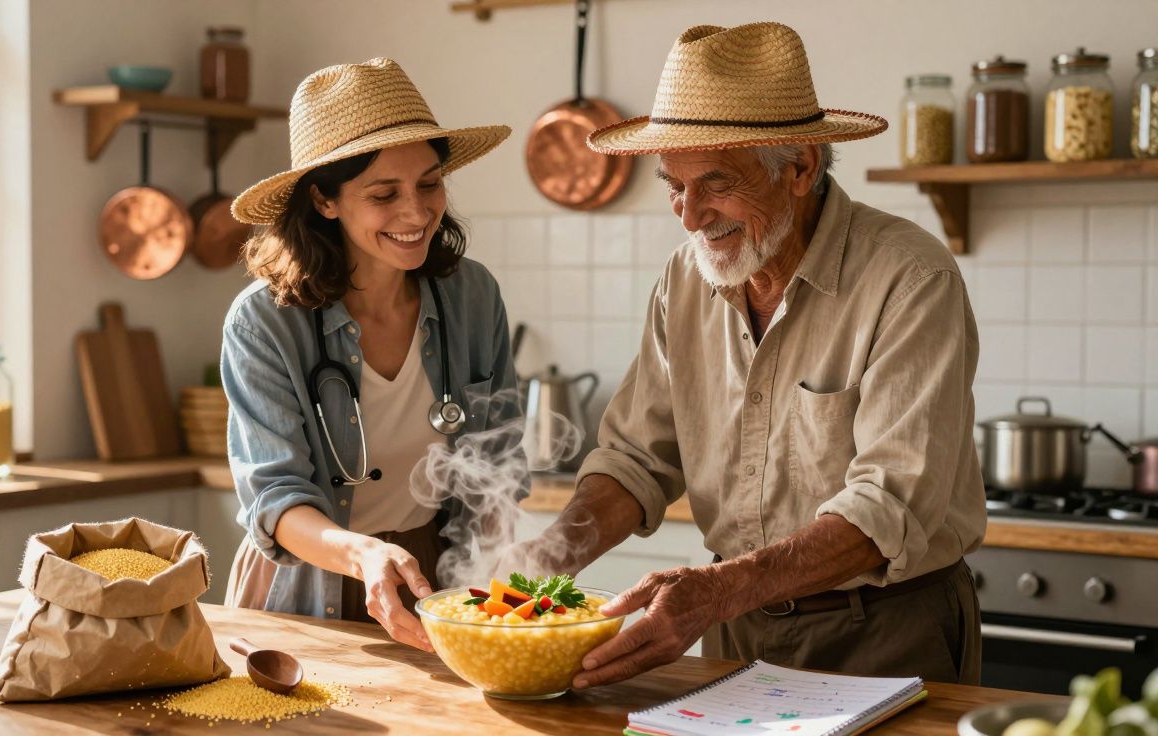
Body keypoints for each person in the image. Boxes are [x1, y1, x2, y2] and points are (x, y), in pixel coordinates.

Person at [520, 22, 986, 687]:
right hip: (736, 633)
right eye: (673, 186)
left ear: (800, 169)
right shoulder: (686, 278)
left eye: (714, 183)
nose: (688, 215)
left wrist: (712, 591)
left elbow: (888, 506)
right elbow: (635, 460)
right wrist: (548, 555)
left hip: (886, 631)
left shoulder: (910, 278)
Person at [221, 57, 519, 652]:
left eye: (430, 184)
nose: (417, 213)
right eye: (384, 194)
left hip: (430, 573)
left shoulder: (473, 295)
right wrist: (364, 555)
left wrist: (501, 588)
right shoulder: (264, 322)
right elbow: (275, 498)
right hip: (305, 580)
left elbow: (495, 462)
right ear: (325, 202)